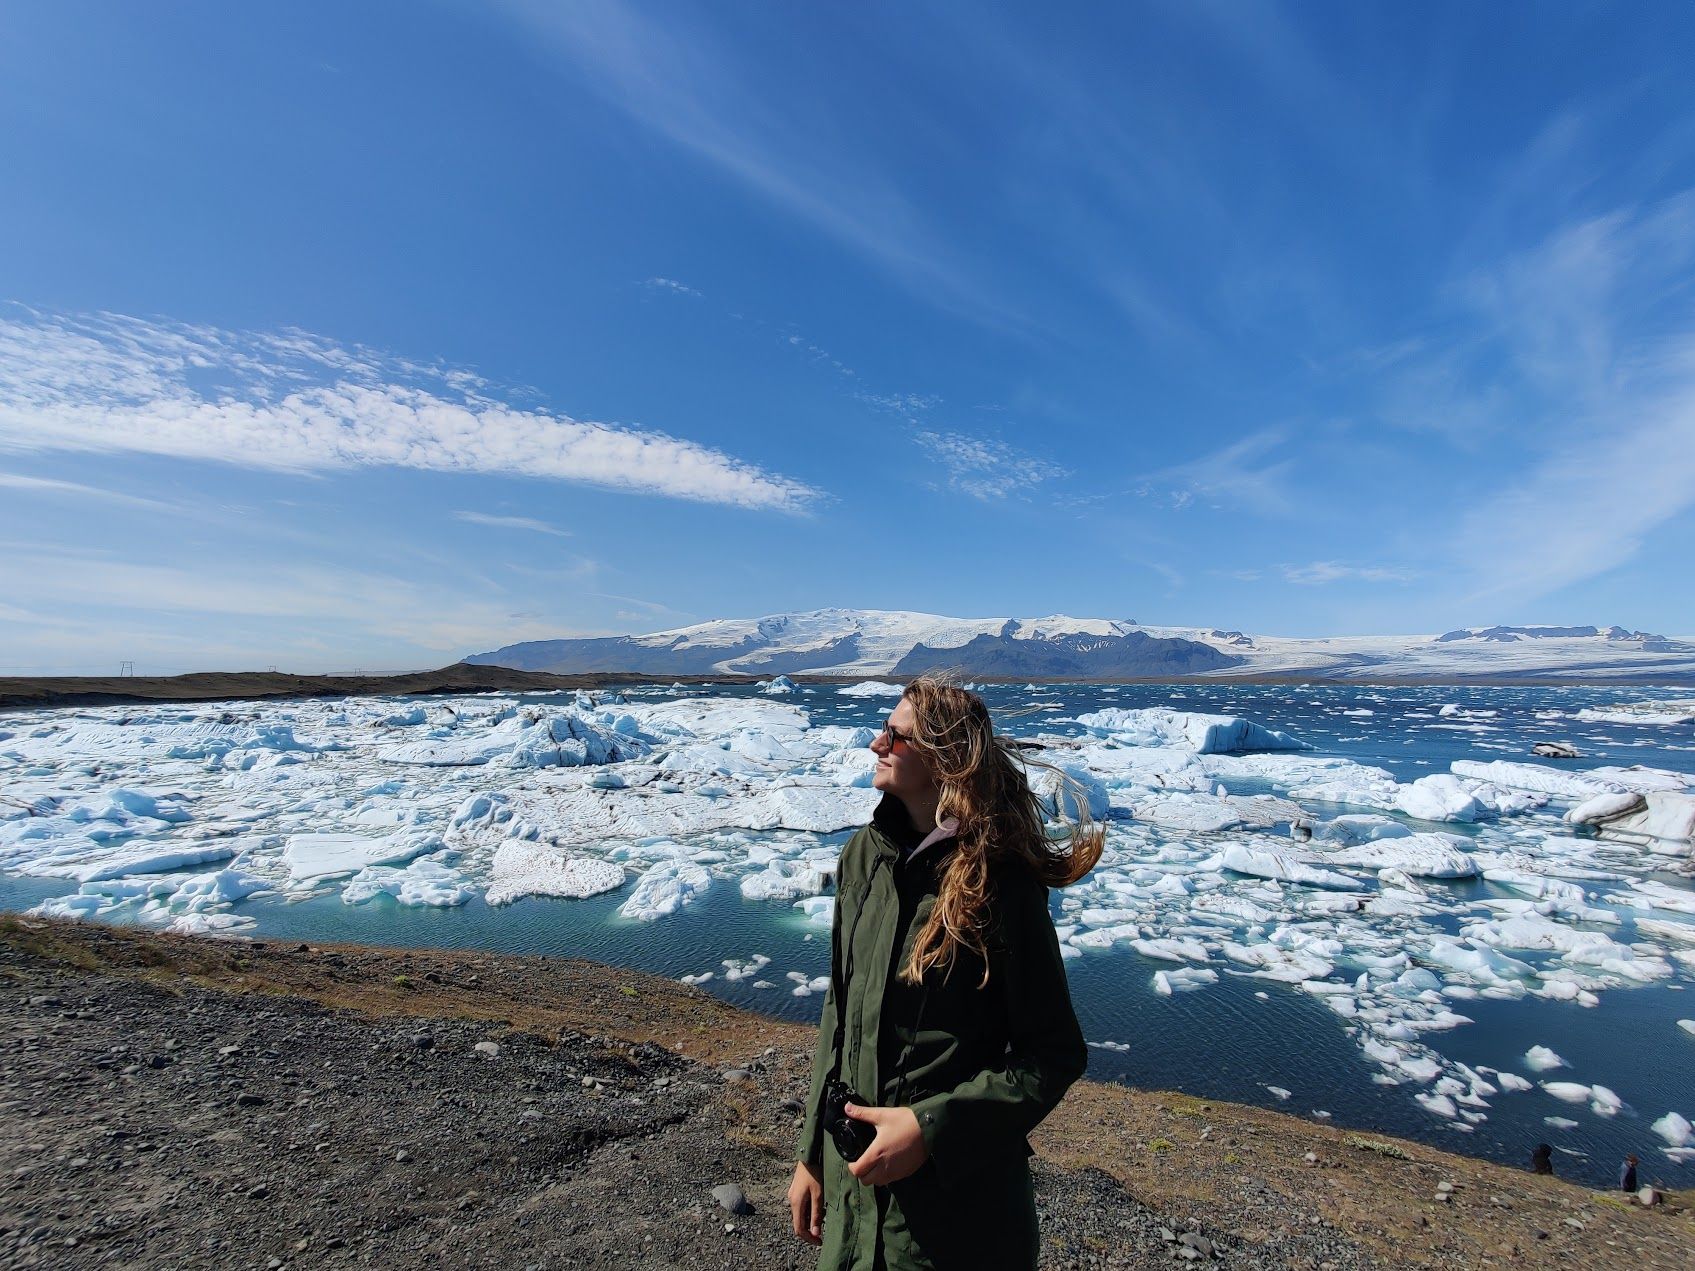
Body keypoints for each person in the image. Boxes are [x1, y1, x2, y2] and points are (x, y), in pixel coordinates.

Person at [788, 676, 1103, 1269]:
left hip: (954, 1224)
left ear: (943, 759)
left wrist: (929, 1128)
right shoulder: (864, 855)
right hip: (854, 1202)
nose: (877, 744)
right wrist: (811, 1154)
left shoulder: (998, 882)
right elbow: (839, 1013)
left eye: (895, 735)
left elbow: (1053, 1053)